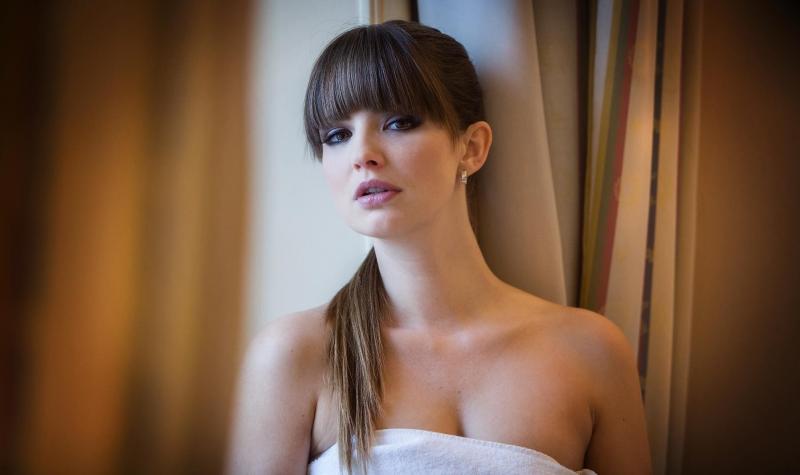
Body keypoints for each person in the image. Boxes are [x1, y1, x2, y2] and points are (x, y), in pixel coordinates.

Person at [228, 20, 652, 475]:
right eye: (337, 135)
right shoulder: (293, 356)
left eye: (398, 122)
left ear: (472, 148)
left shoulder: (593, 352)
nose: (362, 154)